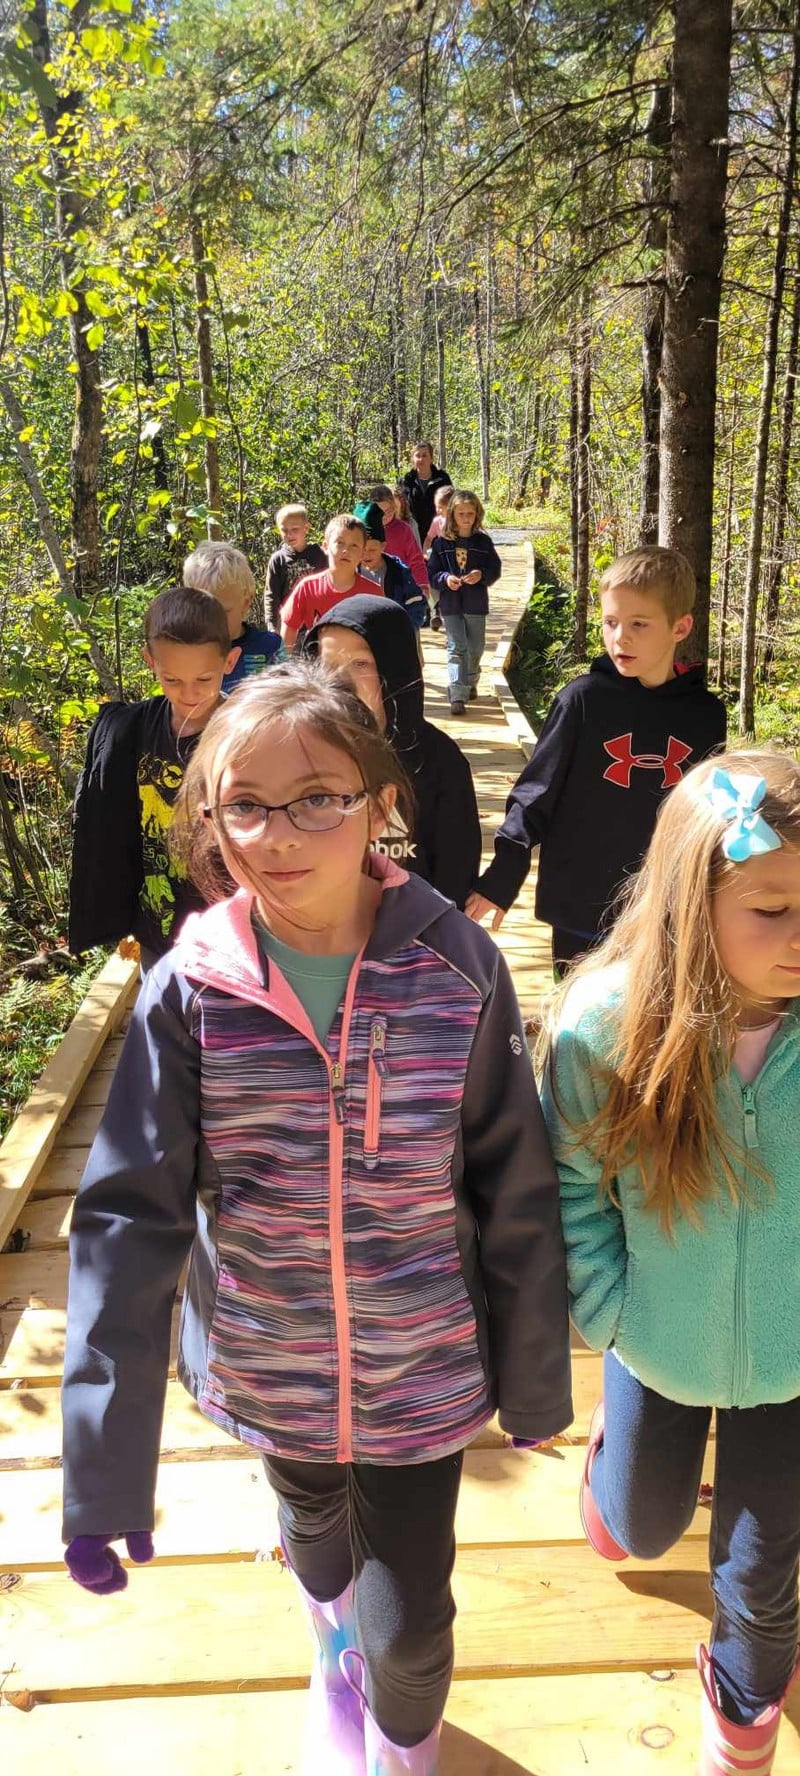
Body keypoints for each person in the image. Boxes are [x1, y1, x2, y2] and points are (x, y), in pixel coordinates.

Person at [61, 660, 573, 1776]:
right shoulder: (189, 990)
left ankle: (399, 1746)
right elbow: (126, 1220)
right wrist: (103, 1466)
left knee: (414, 1630)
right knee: (314, 1537)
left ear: (381, 804)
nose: (278, 833)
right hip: (268, 1365)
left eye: (318, 797)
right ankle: (325, 1636)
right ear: (208, 815)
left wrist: (534, 1378)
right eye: (244, 803)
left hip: (421, 1374)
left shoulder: (457, 966)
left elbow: (513, 1183)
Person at [539, 749, 800, 1776]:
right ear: (694, 904)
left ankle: (740, 1730)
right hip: (655, 1340)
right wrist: (608, 1319)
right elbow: (573, 1191)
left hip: (787, 1362)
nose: (796, 936)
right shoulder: (602, 1031)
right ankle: (615, 1470)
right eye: (769, 909)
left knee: (760, 1564)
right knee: (640, 1532)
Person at [466, 546, 727, 973]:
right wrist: (504, 875)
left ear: (680, 627)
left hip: (662, 910)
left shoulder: (704, 716)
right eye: (611, 622)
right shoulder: (582, 701)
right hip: (581, 903)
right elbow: (535, 794)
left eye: (639, 624)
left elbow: (712, 816)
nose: (620, 636)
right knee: (577, 1025)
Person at [68, 587, 239, 970]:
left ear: (230, 661)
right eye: (172, 680)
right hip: (157, 927)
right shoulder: (134, 730)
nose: (189, 694)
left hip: (230, 931)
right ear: (150, 662)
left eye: (204, 679)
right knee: (164, 1024)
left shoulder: (245, 733)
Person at [305, 595, 482, 908]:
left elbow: (456, 874)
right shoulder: (301, 752)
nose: (340, 681)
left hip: (413, 937)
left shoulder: (440, 760)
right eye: (328, 665)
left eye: (360, 664)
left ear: (394, 667)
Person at [427, 490, 501, 716]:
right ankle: (457, 693)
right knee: (456, 647)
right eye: (461, 513)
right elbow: (433, 573)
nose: (466, 518)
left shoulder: (483, 542)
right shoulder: (441, 543)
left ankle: (470, 680)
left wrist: (482, 575)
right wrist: (445, 579)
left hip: (475, 603)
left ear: (477, 514)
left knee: (475, 648)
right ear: (452, 514)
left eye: (470, 513)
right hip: (450, 604)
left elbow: (495, 569)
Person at [183, 539, 285, 688]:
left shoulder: (270, 647)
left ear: (245, 603)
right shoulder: (185, 650)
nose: (211, 620)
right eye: (201, 611)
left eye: (222, 612)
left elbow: (288, 698)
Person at [280, 514, 382, 650]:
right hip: (318, 666)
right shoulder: (308, 587)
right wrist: (285, 665)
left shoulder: (373, 593)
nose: (346, 550)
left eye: (354, 546)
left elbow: (383, 635)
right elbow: (288, 629)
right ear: (326, 546)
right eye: (340, 543)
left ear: (363, 553)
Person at [353, 502, 427, 630]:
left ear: (383, 546)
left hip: (394, 635)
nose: (366, 555)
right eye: (362, 549)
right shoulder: (349, 571)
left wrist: (405, 630)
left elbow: (416, 603)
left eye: (372, 550)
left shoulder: (399, 572)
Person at [265, 503, 327, 629]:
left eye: (294, 529)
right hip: (289, 623)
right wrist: (272, 625)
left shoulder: (321, 555)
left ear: (306, 528)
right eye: (284, 530)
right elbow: (271, 595)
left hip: (318, 622)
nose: (289, 535)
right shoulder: (278, 559)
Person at [367, 484, 430, 594]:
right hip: (370, 582)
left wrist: (422, 584)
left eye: (388, 511)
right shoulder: (364, 528)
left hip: (398, 584)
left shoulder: (403, 529)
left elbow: (416, 559)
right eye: (380, 512)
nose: (384, 516)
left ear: (394, 508)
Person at [400, 442, 453, 543]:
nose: (421, 459)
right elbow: (402, 507)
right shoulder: (407, 480)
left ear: (431, 458)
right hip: (414, 532)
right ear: (413, 459)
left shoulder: (442, 478)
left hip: (440, 529)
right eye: (417, 456)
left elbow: (452, 503)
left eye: (425, 455)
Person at [422, 483, 453, 555]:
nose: (437, 510)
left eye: (440, 507)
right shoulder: (437, 521)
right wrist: (425, 553)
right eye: (436, 507)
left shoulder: (459, 521)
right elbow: (429, 538)